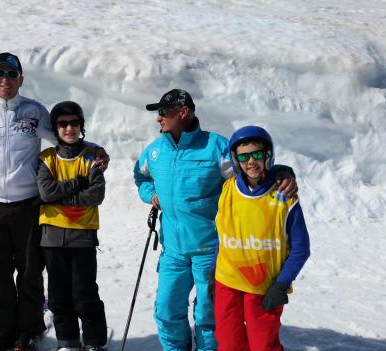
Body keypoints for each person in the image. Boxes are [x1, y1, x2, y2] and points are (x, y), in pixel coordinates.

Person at [133, 89, 297, 351]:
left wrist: (281, 171)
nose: (158, 118)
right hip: (173, 250)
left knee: (208, 315)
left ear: (183, 112)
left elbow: (250, 171)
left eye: (163, 112)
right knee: (166, 309)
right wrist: (151, 194)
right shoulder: (154, 152)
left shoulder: (215, 147)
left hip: (212, 250)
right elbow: (141, 178)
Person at [212, 126, 310, 351]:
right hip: (227, 282)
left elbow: (301, 248)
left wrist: (281, 284)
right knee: (228, 344)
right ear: (236, 160)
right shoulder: (227, 189)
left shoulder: (284, 196)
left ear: (268, 155)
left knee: (262, 345)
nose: (251, 162)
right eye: (244, 156)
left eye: (257, 154)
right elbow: (223, 235)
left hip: (264, 286)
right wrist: (212, 272)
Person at [36, 101, 108, 351]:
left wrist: (61, 196)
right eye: (63, 124)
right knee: (58, 296)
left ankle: (95, 342)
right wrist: (79, 183)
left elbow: (96, 195)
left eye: (74, 123)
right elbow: (45, 192)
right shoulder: (46, 158)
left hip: (82, 237)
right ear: (55, 128)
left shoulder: (92, 158)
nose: (69, 128)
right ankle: (67, 342)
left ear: (81, 125)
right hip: (52, 238)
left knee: (85, 293)